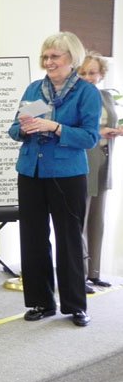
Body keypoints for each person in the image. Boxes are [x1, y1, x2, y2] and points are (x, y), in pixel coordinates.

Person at [8, 31, 100, 327]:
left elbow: (89, 137)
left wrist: (56, 127)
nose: (48, 62)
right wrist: (23, 129)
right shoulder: (35, 89)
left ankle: (75, 305)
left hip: (68, 175)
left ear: (71, 58)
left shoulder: (87, 93)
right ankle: (40, 302)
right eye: (45, 56)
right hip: (31, 172)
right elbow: (13, 129)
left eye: (54, 57)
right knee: (33, 238)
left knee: (69, 239)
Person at [78, 51, 122, 290]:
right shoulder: (73, 96)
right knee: (79, 220)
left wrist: (116, 130)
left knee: (98, 219)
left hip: (105, 161)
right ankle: (80, 274)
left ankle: (94, 273)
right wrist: (99, 132)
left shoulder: (106, 96)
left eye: (92, 73)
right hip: (83, 161)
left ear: (101, 74)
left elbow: (110, 122)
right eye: (82, 73)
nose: (87, 77)